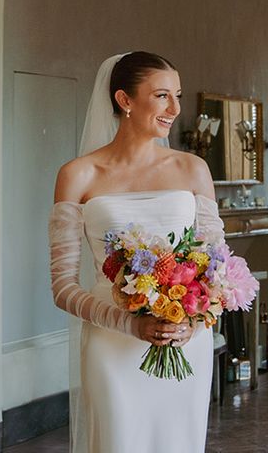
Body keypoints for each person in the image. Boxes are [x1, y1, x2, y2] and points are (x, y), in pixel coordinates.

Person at [49, 51, 226, 453]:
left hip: (184, 343)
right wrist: (130, 325)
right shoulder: (77, 175)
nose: (175, 109)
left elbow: (219, 270)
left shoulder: (193, 169)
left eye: (177, 96)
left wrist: (192, 325)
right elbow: (62, 286)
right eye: (162, 96)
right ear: (124, 100)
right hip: (111, 346)